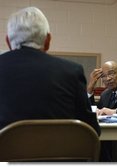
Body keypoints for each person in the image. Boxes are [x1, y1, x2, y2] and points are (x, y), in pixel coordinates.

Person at [0, 7, 100, 135]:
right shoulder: (72, 71)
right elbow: (91, 130)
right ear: (47, 41)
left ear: (8, 41)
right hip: (61, 154)